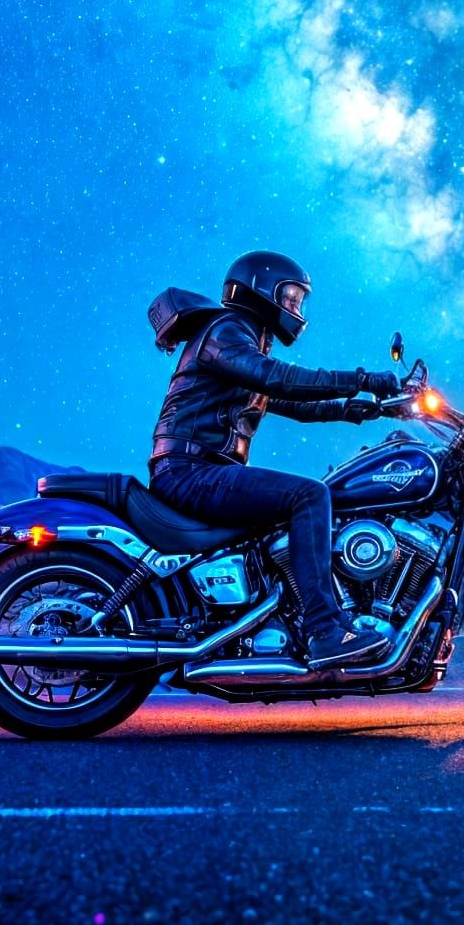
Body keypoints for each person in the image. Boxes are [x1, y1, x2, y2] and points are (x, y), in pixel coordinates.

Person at [149, 250, 401, 668]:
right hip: (190, 471)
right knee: (308, 495)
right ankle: (326, 630)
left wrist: (366, 408)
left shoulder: (245, 341)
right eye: (290, 298)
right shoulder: (225, 330)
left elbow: (289, 401)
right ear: (261, 290)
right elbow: (279, 378)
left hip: (203, 470)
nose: (296, 309)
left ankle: (295, 617)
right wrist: (362, 380)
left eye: (299, 301)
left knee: (303, 499)